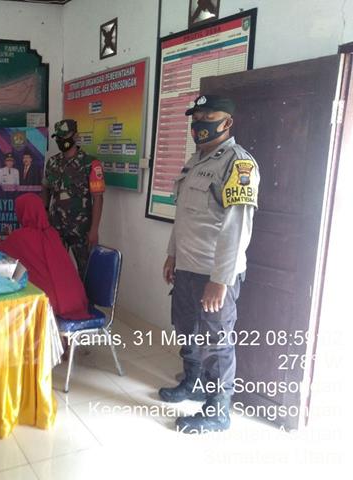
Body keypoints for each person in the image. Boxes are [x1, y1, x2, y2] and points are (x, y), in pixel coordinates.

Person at [159, 95, 260, 434]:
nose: (199, 122)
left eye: (207, 115)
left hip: (214, 273)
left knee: (217, 341)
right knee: (186, 329)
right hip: (187, 267)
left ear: (227, 122)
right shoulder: (196, 161)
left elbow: (237, 228)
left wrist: (221, 279)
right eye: (196, 116)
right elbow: (184, 218)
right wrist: (172, 254)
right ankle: (193, 383)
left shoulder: (238, 164)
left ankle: (218, 410)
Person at [0, 194, 91, 319]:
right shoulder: (52, 233)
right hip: (75, 300)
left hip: (47, 304)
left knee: (10, 273)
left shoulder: (20, 237)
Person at [42, 119, 105, 279]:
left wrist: (94, 230)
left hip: (81, 229)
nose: (61, 141)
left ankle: (84, 296)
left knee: (87, 272)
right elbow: (45, 188)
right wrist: (44, 213)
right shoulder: (52, 163)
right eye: (58, 137)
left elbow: (98, 198)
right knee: (56, 271)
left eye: (65, 136)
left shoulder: (91, 163)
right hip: (56, 227)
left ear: (75, 136)